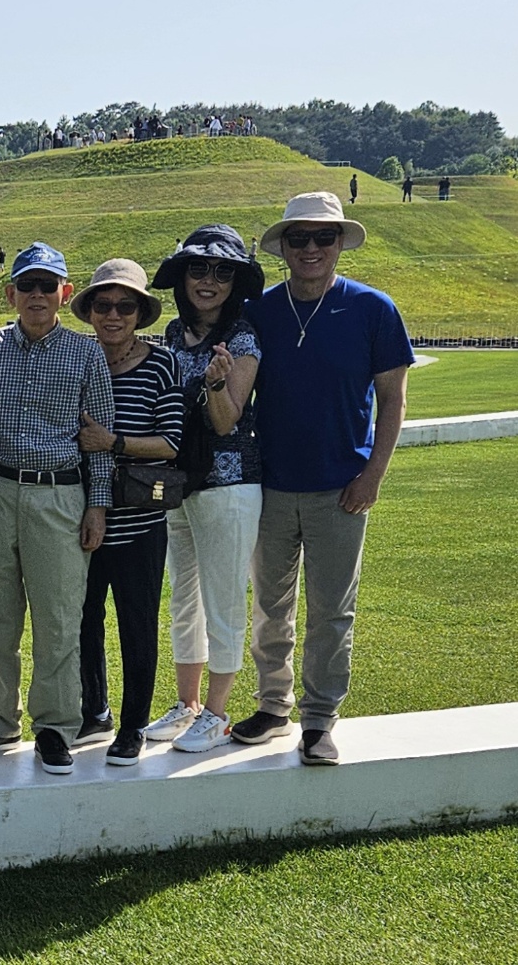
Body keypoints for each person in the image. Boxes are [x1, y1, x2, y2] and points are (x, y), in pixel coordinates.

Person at [234, 192, 413, 765]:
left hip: (342, 485)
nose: (311, 248)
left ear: (339, 244)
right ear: (283, 247)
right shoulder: (259, 312)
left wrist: (373, 476)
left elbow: (393, 401)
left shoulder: (373, 309)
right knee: (270, 606)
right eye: (298, 238)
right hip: (271, 484)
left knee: (333, 610)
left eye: (323, 238)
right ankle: (272, 705)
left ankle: (319, 718)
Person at [0, 243, 113, 776]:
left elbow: (97, 439)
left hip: (59, 495)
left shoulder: (87, 353)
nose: (37, 295)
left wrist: (97, 506)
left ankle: (54, 727)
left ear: (64, 294)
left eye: (48, 286)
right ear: (11, 293)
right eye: (27, 286)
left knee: (58, 619)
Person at [144, 226, 265, 753]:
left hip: (228, 484)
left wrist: (217, 382)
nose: (208, 280)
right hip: (180, 487)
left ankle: (217, 712)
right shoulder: (174, 334)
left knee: (222, 601)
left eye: (221, 271)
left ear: (235, 282)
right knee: (184, 599)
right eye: (198, 269)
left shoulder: (241, 339)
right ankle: (189, 703)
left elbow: (224, 421)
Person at [70, 260, 184, 765]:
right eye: (103, 305)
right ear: (89, 311)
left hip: (140, 521)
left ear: (140, 313)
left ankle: (134, 722)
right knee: (82, 620)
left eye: (125, 306)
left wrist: (112, 443)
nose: (113, 315)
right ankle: (94, 709)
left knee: (137, 625)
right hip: (80, 515)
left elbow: (172, 444)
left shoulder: (161, 364)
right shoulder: (77, 359)